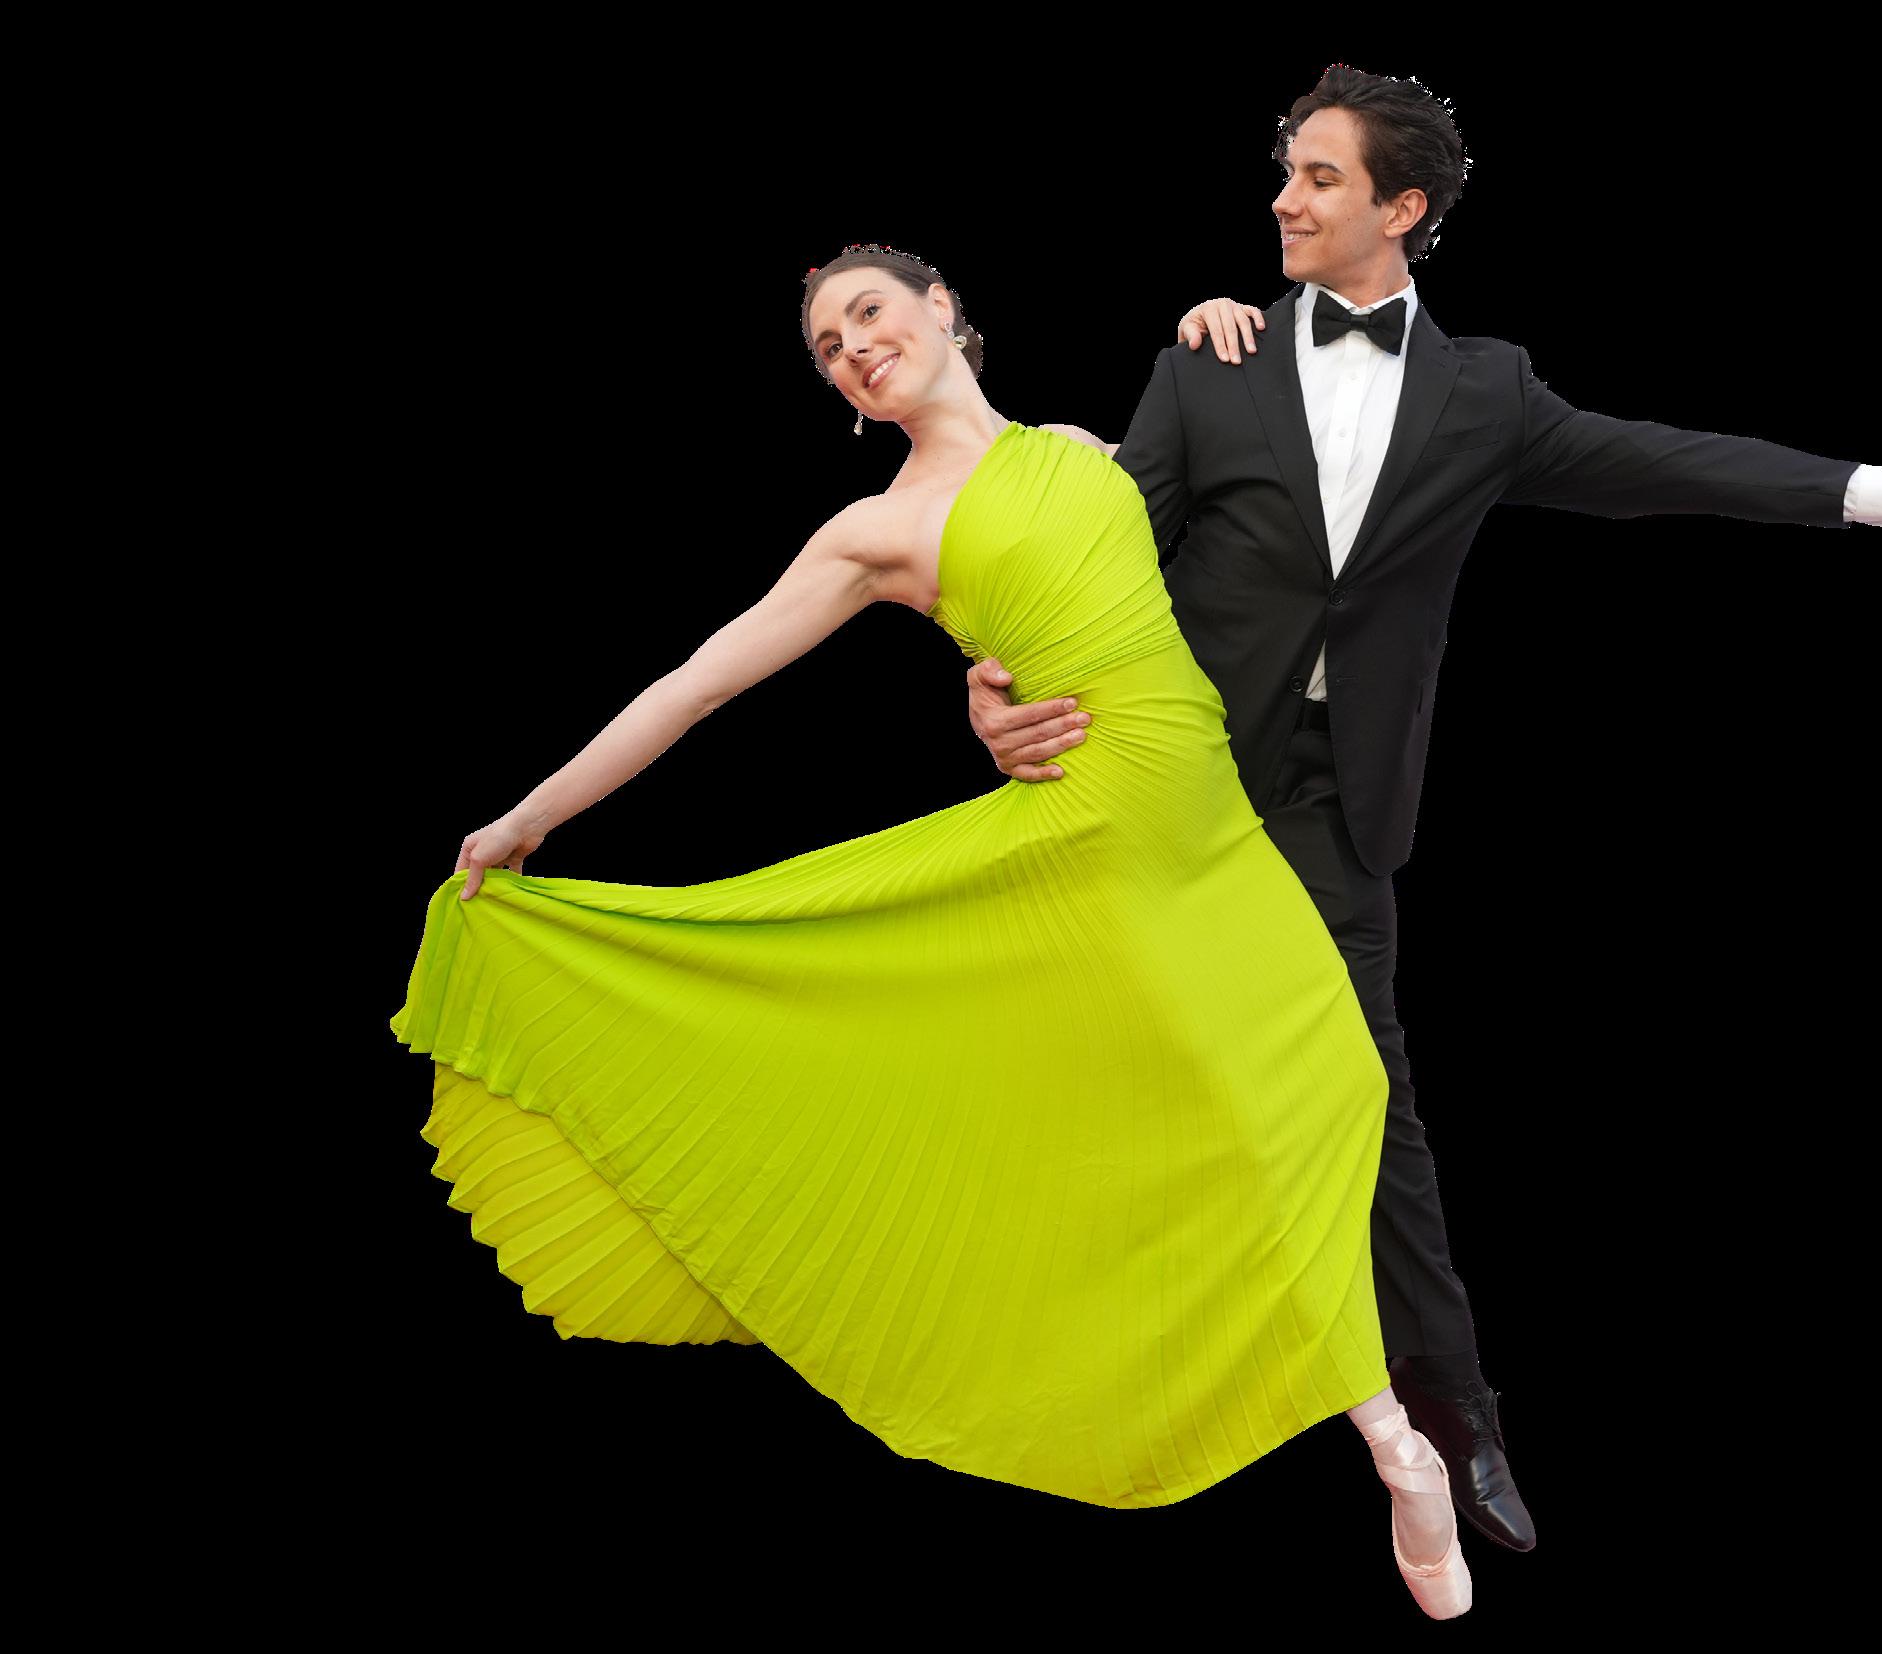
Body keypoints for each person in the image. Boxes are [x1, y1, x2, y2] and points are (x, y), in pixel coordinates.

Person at [959, 65, 1882, 1556]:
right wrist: (999, 682)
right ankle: (1089, 1382)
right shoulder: (1206, 362)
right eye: (1286, 172)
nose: (1284, 200)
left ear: (1402, 208)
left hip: (1339, 803)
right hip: (1174, 778)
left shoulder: (1486, 393)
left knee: (1369, 1105)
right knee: (1116, 1071)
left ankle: (1454, 1419)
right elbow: (1101, 562)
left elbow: (1674, 463)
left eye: (1318, 178)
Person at [388, 242, 1476, 1618]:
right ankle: (1393, 1443)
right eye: (828, 348)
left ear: (943, 309)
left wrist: (1224, 314)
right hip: (1097, 847)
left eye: (868, 313)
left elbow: (1239, 548)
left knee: (1342, 1085)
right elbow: (694, 684)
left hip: (1214, 832)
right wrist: (525, 818)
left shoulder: (1082, 451)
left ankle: (1368, 1418)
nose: (852, 347)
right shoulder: (876, 533)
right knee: (1240, 1126)